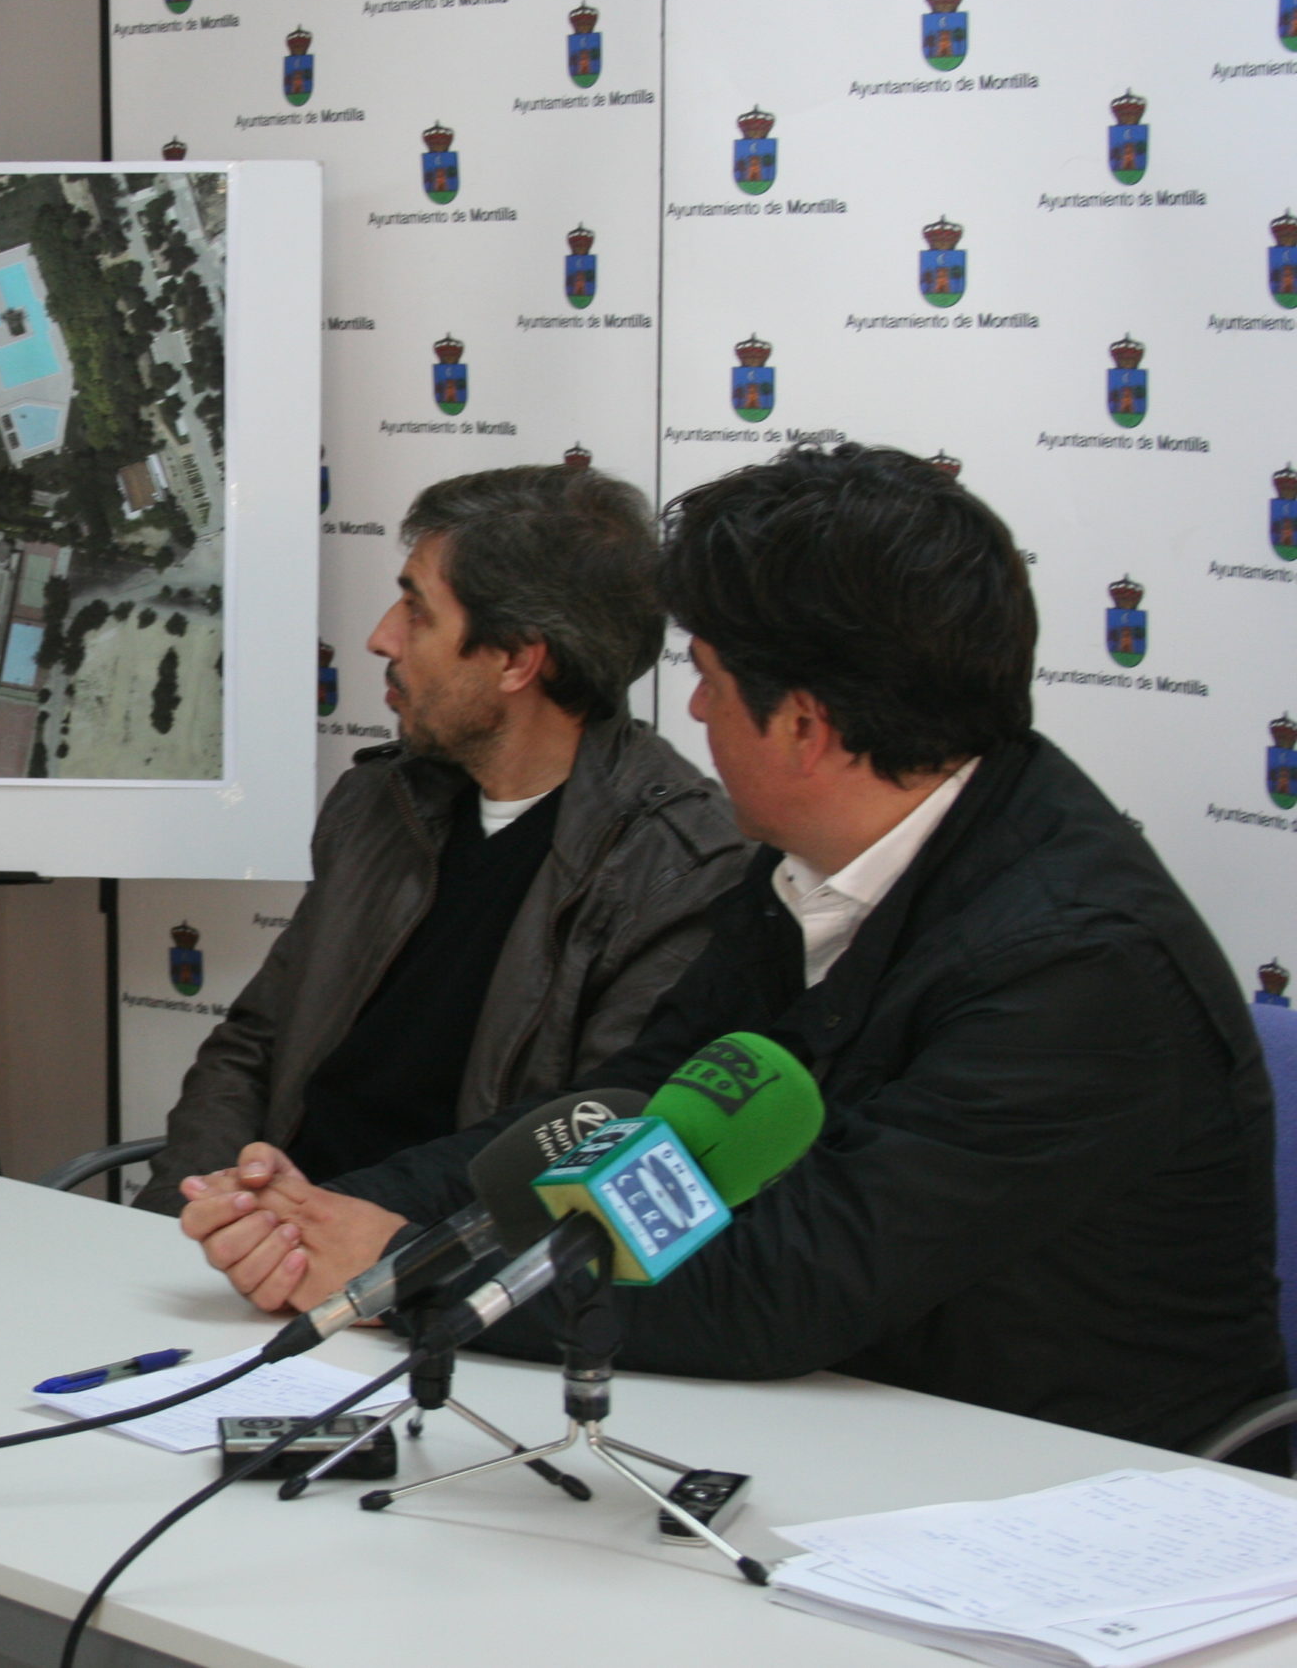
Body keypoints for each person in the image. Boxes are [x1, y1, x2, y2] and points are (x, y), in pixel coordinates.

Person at [178, 444, 1286, 1463]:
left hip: (1070, 1497)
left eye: (706, 677)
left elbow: (787, 1284)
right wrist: (320, 1213)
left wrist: (400, 1267)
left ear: (803, 726)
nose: (691, 708)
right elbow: (624, 1111)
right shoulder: (801, 862)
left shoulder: (1079, 969)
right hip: (831, 1435)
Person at [136, 465, 747, 1211]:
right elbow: (255, 1044)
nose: (380, 637)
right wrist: (191, 1206)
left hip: (437, 1285)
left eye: (417, 612)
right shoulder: (378, 800)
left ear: (519, 658)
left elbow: (592, 1150)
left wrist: (324, 1234)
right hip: (270, 1246)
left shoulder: (678, 868)